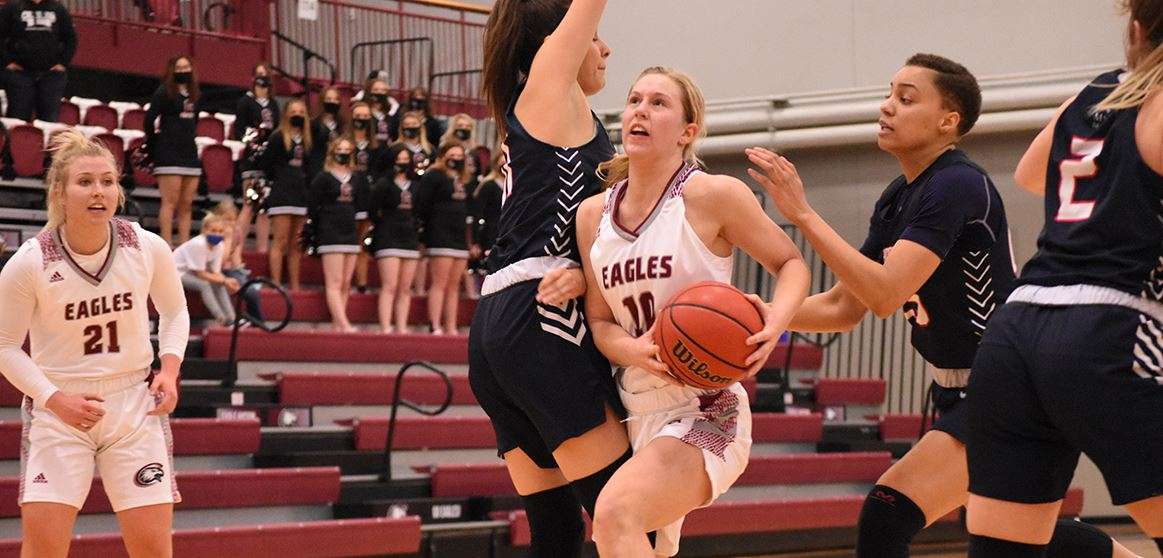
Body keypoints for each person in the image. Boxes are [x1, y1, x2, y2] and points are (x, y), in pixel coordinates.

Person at [750, 53, 1129, 558]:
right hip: (964, 388)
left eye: (906, 99)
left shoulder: (956, 184)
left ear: (948, 121)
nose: (886, 106)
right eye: (888, 93)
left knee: (887, 512)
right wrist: (765, 314)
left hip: (1010, 382)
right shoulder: (897, 197)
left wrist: (802, 214)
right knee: (1011, 529)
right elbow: (846, 305)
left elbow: (884, 294)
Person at [580, 66, 808, 558]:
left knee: (615, 516)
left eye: (659, 103)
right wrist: (634, 350)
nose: (641, 109)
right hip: (634, 407)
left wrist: (775, 323)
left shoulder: (711, 195)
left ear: (688, 132)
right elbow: (599, 320)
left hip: (705, 405)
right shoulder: (593, 215)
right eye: (636, 99)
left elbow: (790, 263)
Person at [965, 1, 1163, 555]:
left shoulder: (1095, 91)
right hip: (1109, 325)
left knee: (1007, 544)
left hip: (1016, 330)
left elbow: (1033, 173)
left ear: (1137, 27)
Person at [471, 2, 629, 555]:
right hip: (542, 315)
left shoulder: (544, 107)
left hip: (500, 318)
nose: (604, 48)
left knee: (557, 532)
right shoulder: (549, 90)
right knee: (630, 517)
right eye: (594, 38)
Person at [0, 130, 188, 557]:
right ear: (60, 193)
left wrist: (171, 370)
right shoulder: (30, 262)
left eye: (107, 181)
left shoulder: (145, 246)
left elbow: (175, 312)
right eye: (85, 182)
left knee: (154, 550)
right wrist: (52, 399)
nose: (98, 191)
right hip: (60, 409)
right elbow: (5, 345)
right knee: (43, 550)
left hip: (134, 405)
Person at [258, 98, 324, 292]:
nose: (298, 115)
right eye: (294, 112)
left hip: (301, 194)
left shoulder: (308, 140)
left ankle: (295, 285)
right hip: (282, 193)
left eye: (302, 112)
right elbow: (266, 166)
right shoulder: (278, 138)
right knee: (280, 241)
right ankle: (277, 284)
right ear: (286, 114)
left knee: (296, 244)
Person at [414, 143, 472, 335]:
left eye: (459, 155)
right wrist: (424, 235)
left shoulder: (464, 179)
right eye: (452, 154)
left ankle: (451, 326)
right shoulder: (433, 176)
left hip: (458, 237)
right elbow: (422, 205)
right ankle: (435, 324)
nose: (456, 158)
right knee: (440, 282)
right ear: (443, 156)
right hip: (440, 235)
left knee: (454, 286)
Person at [144, 55, 203, 246]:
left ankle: (184, 247)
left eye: (187, 67)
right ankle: (166, 245)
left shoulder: (195, 94)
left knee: (186, 205)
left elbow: (195, 121)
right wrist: (156, 142)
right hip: (168, 153)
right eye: (179, 67)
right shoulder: (164, 91)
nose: (183, 71)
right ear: (172, 70)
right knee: (169, 202)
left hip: (190, 154)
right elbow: (149, 119)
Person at [308, 137, 365, 332]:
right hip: (330, 231)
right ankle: (344, 323)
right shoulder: (324, 177)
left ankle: (336, 324)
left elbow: (360, 203)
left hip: (350, 231)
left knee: (346, 282)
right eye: (340, 149)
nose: (343, 153)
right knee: (334, 281)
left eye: (347, 150)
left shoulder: (356, 177)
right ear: (332, 152)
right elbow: (313, 205)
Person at [0, 0, 75, 122]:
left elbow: (71, 39)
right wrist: (6, 62)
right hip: (19, 74)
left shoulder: (58, 9)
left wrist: (63, 63)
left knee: (49, 120)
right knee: (17, 119)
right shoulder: (12, 7)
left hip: (51, 76)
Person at [232, 62, 279, 254]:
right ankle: (236, 248)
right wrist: (254, 141)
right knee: (249, 204)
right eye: (259, 74)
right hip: (252, 160)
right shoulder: (245, 102)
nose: (263, 78)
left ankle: (262, 249)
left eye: (266, 74)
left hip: (270, 162)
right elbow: (239, 132)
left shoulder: (274, 104)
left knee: (264, 208)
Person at [373, 146, 421, 333]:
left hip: (409, 239)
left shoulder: (416, 185)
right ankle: (385, 326)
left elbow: (419, 210)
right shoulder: (383, 184)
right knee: (390, 285)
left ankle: (401, 327)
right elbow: (373, 209)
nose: (402, 163)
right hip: (388, 238)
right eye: (398, 159)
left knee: (405, 288)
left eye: (405, 159)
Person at [174, 212, 239, 327]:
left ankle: (232, 319)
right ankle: (221, 318)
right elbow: (201, 275)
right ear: (204, 230)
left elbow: (216, 273)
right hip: (176, 272)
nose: (217, 234)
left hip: (193, 272)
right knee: (204, 284)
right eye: (213, 230)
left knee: (219, 284)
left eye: (220, 231)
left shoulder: (220, 245)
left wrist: (227, 281)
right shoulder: (198, 244)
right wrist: (225, 280)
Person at [368, 79, 401, 145]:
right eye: (376, 90)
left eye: (383, 90)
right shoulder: (363, 111)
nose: (379, 93)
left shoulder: (393, 111)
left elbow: (396, 134)